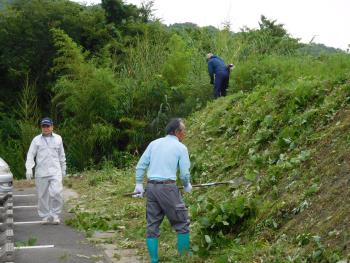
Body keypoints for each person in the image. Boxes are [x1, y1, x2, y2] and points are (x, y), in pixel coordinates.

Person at [133, 118, 192, 263]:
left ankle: (154, 260)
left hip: (151, 187)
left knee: (152, 224)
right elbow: (184, 174)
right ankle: (183, 258)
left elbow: (141, 165)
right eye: (183, 131)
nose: (184, 134)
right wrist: (186, 184)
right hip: (168, 188)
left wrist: (139, 184)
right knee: (181, 222)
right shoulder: (180, 148)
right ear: (177, 132)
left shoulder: (154, 144)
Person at [25, 117, 66, 225]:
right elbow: (30, 155)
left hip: (55, 171)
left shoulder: (58, 139)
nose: (46, 128)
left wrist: (64, 168)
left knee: (57, 192)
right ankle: (45, 216)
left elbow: (62, 155)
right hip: (41, 172)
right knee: (42, 196)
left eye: (48, 126)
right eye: (44, 126)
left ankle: (55, 215)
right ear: (41, 127)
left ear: (52, 127)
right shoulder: (36, 140)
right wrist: (29, 168)